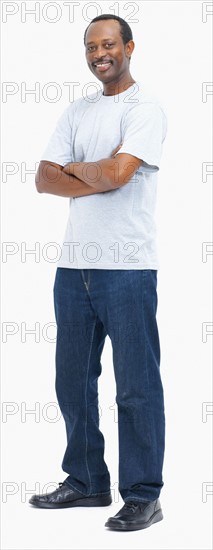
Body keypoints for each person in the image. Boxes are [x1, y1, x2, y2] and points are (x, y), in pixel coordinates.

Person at [29, 14, 167, 532]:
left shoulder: (146, 107)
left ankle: (142, 495)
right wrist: (98, 172)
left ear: (129, 47)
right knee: (72, 382)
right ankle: (87, 481)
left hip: (127, 269)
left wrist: (85, 170)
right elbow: (43, 179)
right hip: (74, 268)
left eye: (108, 44)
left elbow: (120, 173)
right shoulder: (77, 109)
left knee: (135, 388)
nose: (99, 53)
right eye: (92, 46)